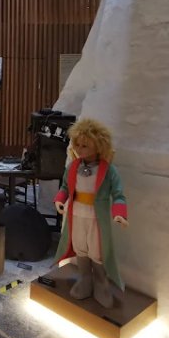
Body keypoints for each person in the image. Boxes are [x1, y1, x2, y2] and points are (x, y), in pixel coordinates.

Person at [53, 118, 128, 308]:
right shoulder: (73, 167)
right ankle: (85, 279)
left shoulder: (109, 171)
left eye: (85, 145)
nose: (79, 149)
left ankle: (101, 283)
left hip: (96, 218)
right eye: (77, 144)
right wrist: (60, 200)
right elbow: (65, 187)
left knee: (97, 251)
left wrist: (119, 213)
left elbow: (118, 195)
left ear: (99, 145)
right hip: (76, 215)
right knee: (80, 247)